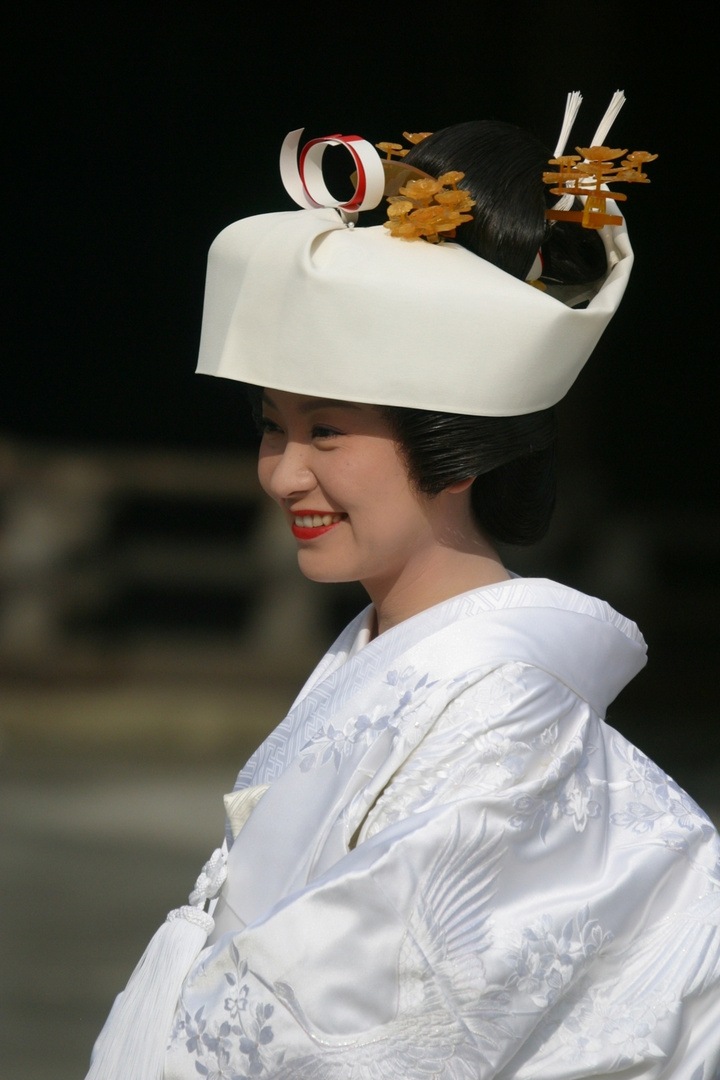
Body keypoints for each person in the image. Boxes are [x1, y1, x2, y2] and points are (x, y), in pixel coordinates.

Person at [86, 98, 720, 1080]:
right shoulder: (378, 650)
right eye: (271, 427)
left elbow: (384, 1023)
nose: (283, 473)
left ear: (454, 442)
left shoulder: (506, 707)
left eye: (326, 431)